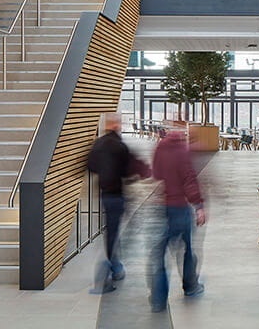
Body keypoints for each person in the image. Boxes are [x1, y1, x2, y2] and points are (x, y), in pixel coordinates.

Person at [86, 113, 148, 293]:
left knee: (112, 231)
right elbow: (128, 171)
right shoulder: (120, 146)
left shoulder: (98, 144)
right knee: (119, 232)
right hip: (117, 194)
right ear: (116, 125)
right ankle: (112, 268)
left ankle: (116, 266)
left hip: (104, 194)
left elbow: (90, 166)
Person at [149, 121, 205, 312]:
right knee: (187, 249)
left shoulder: (159, 148)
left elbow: (156, 174)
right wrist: (198, 205)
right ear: (183, 133)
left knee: (159, 254)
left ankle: (158, 299)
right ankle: (190, 287)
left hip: (162, 207)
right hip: (180, 206)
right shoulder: (183, 151)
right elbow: (189, 179)